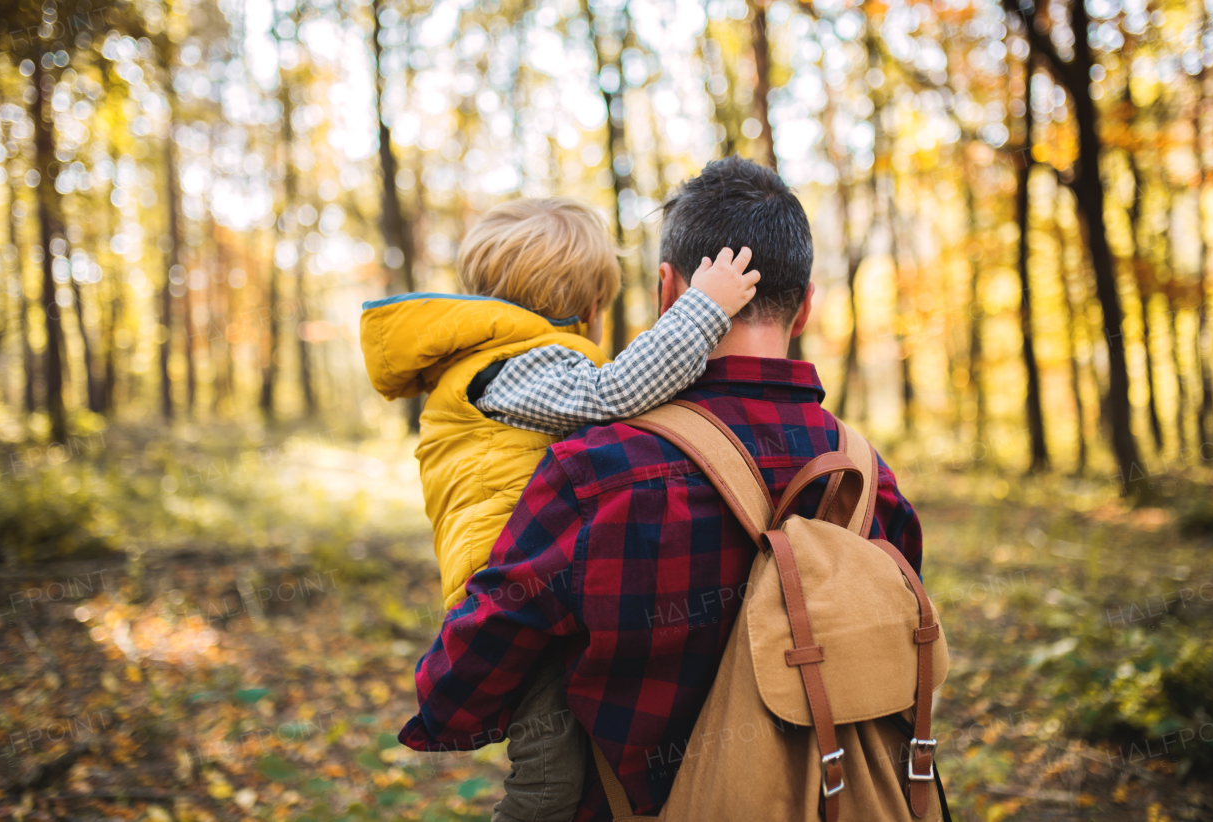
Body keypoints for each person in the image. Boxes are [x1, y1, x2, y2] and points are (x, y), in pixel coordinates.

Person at [396, 156, 924, 820]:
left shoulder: (599, 472)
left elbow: (485, 649)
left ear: (667, 291)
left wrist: (442, 709)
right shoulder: (870, 481)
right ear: (808, 304)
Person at [360, 196, 760, 822]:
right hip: (514, 596)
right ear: (586, 307)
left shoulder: (509, 366)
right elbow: (615, 393)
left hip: (534, 584)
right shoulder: (515, 368)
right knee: (549, 781)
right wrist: (702, 309)